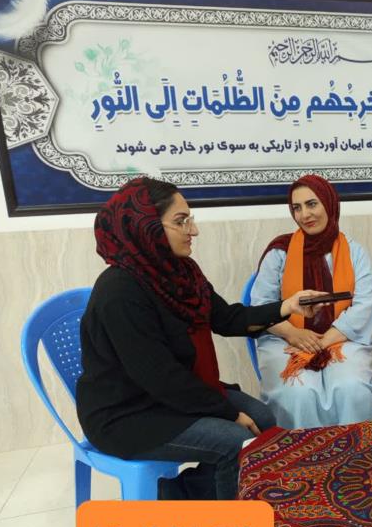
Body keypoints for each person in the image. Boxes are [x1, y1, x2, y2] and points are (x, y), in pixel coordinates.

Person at [76, 177, 324, 500]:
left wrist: (285, 307)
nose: (193, 231)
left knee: (263, 418)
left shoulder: (180, 273)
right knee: (235, 439)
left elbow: (227, 318)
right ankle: (228, 525)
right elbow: (161, 377)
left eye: (189, 219)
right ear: (146, 227)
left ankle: (180, 493)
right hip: (128, 413)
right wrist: (228, 413)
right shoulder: (120, 294)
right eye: (181, 221)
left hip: (171, 394)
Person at [251, 174, 372, 428]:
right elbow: (260, 306)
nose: (304, 215)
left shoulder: (354, 252)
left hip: (342, 337)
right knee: (299, 392)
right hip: (285, 339)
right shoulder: (279, 252)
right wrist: (293, 334)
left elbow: (364, 305)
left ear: (329, 204)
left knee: (350, 388)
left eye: (312, 204)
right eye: (297, 208)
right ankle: (305, 454)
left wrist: (324, 340)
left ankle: (353, 452)